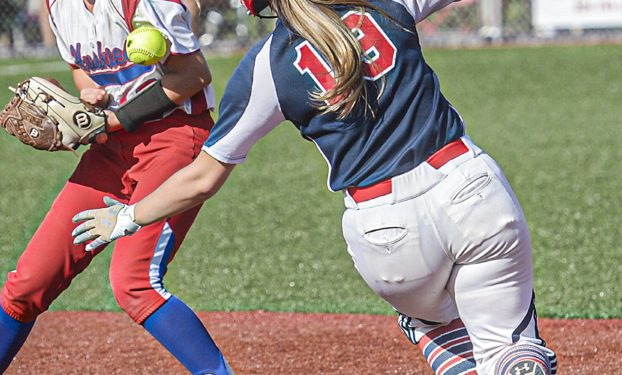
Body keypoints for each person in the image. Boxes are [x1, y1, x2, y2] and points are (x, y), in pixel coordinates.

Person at [71, 0, 558, 374]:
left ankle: (453, 339)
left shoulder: (266, 65)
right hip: (470, 191)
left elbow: (202, 177)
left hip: (386, 234)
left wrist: (127, 216)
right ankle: (511, 354)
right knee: (505, 344)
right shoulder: (382, 4)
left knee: (431, 319)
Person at [0, 0, 234, 374]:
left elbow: (193, 74)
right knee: (27, 283)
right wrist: (90, 94)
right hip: (113, 149)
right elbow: (80, 67)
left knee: (134, 282)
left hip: (173, 137)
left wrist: (112, 119)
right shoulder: (57, 5)